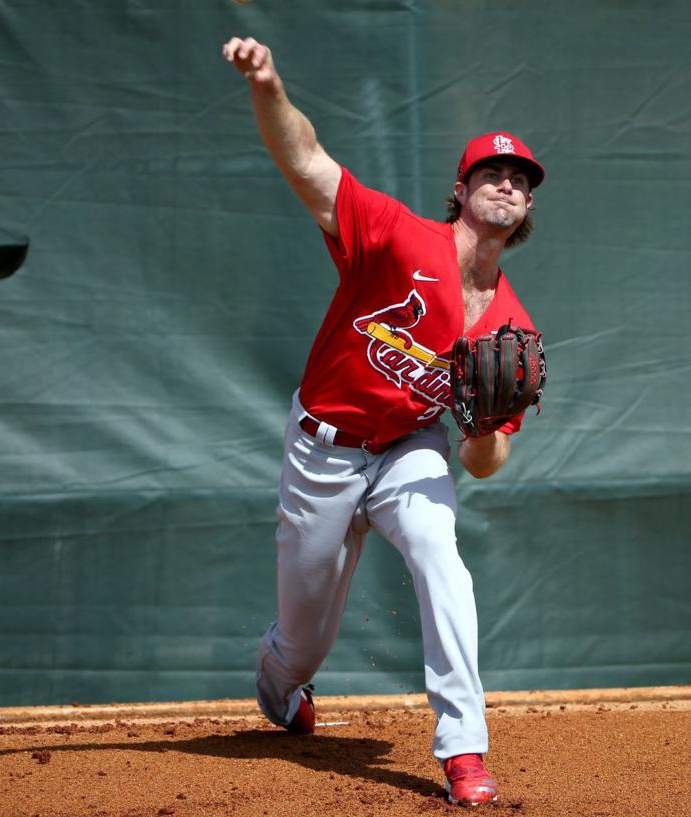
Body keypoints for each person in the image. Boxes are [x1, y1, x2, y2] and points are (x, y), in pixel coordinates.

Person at [222, 35, 546, 807]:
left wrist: (482, 423)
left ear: (528, 206)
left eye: (519, 179)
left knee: (442, 554)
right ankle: (280, 682)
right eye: (489, 172)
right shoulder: (400, 238)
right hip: (324, 450)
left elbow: (482, 463)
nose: (504, 182)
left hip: (409, 449)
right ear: (460, 191)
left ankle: (464, 749)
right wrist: (268, 84)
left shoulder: (513, 329)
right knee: (305, 639)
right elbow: (307, 163)